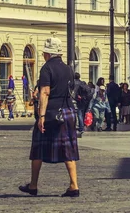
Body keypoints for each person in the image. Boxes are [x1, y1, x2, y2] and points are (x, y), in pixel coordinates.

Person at [19, 37, 79, 198]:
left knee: (38, 148)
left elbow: (45, 92)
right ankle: (74, 185)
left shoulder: (47, 68)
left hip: (52, 113)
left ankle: (33, 185)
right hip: (68, 112)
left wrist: (42, 116)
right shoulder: (68, 69)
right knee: (68, 148)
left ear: (47, 53)